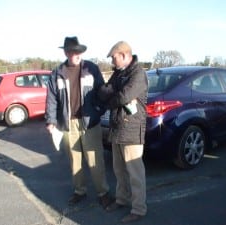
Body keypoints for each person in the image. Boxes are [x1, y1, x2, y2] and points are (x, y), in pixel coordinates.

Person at [45, 36, 113, 209]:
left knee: (95, 159)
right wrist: (51, 121)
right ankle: (79, 191)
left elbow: (102, 92)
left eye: (77, 51)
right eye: (70, 51)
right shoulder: (57, 73)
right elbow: (51, 99)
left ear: (80, 52)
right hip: (68, 124)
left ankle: (103, 192)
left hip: (90, 123)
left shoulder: (92, 68)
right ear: (66, 52)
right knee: (74, 161)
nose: (74, 54)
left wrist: (99, 111)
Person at [98, 41, 148, 223]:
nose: (112, 61)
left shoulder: (138, 74)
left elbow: (123, 96)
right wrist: (111, 96)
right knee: (119, 170)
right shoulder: (119, 74)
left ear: (125, 55)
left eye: (114, 57)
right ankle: (122, 199)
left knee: (135, 172)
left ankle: (139, 209)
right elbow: (105, 91)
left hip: (132, 128)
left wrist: (110, 99)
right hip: (118, 127)